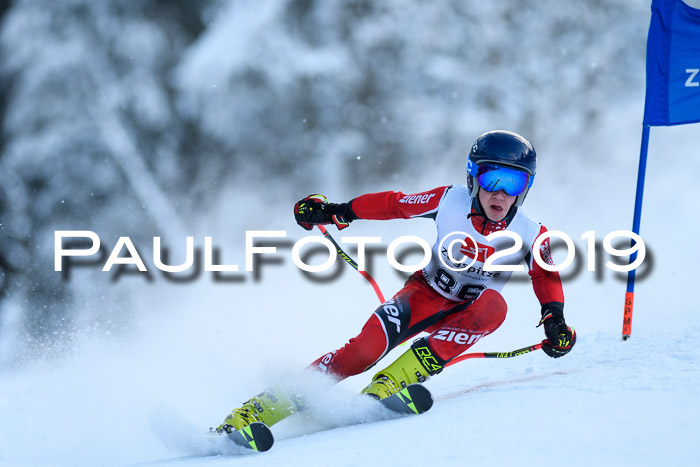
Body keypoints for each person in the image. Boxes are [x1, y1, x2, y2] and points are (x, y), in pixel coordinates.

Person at [216, 130, 575, 433]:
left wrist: (554, 318)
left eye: (513, 182)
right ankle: (254, 413)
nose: (500, 193)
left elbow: (545, 272)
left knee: (495, 306)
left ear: (525, 187)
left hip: (470, 313)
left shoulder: (529, 230)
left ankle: (389, 384)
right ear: (472, 178)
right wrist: (340, 211)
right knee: (362, 351)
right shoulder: (449, 201)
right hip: (424, 295)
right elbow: (394, 204)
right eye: (490, 178)